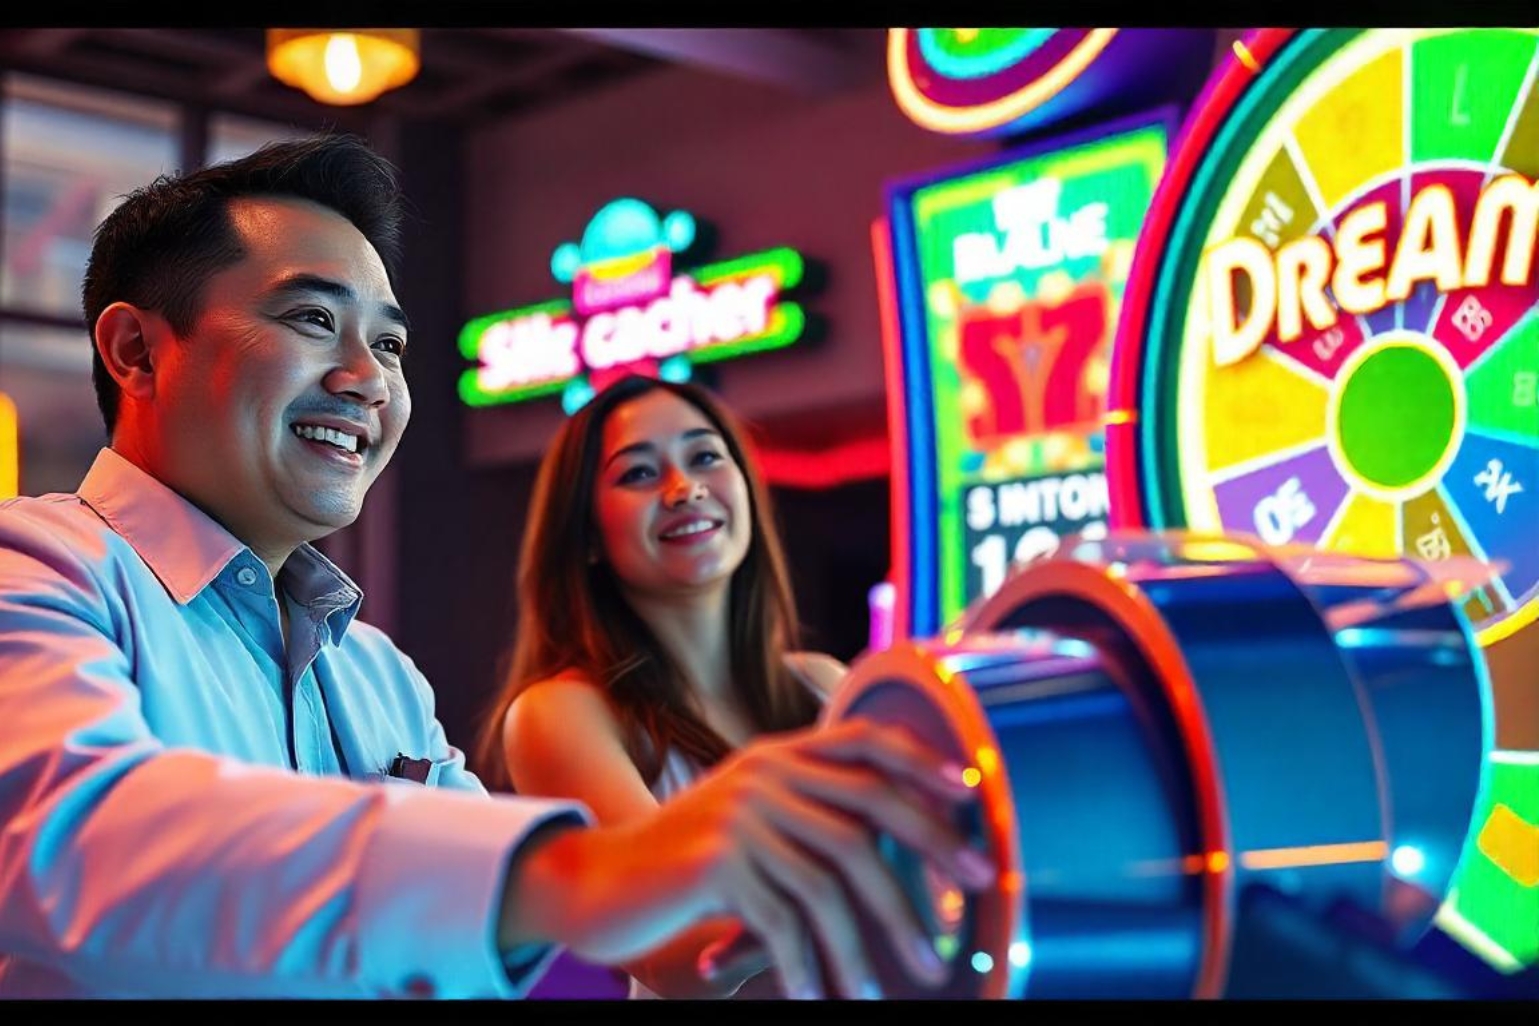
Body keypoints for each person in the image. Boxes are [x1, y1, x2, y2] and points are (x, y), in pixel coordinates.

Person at [0, 133, 995, 1000]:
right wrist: (585, 874)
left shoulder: (380, 675)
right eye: (312, 321)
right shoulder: (43, 568)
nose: (366, 378)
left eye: (387, 344)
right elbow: (72, 844)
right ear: (136, 351)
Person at [476, 373, 872, 999]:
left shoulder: (824, 685)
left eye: (706, 457)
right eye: (638, 474)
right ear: (586, 536)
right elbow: (672, 956)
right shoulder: (559, 713)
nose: (685, 489)